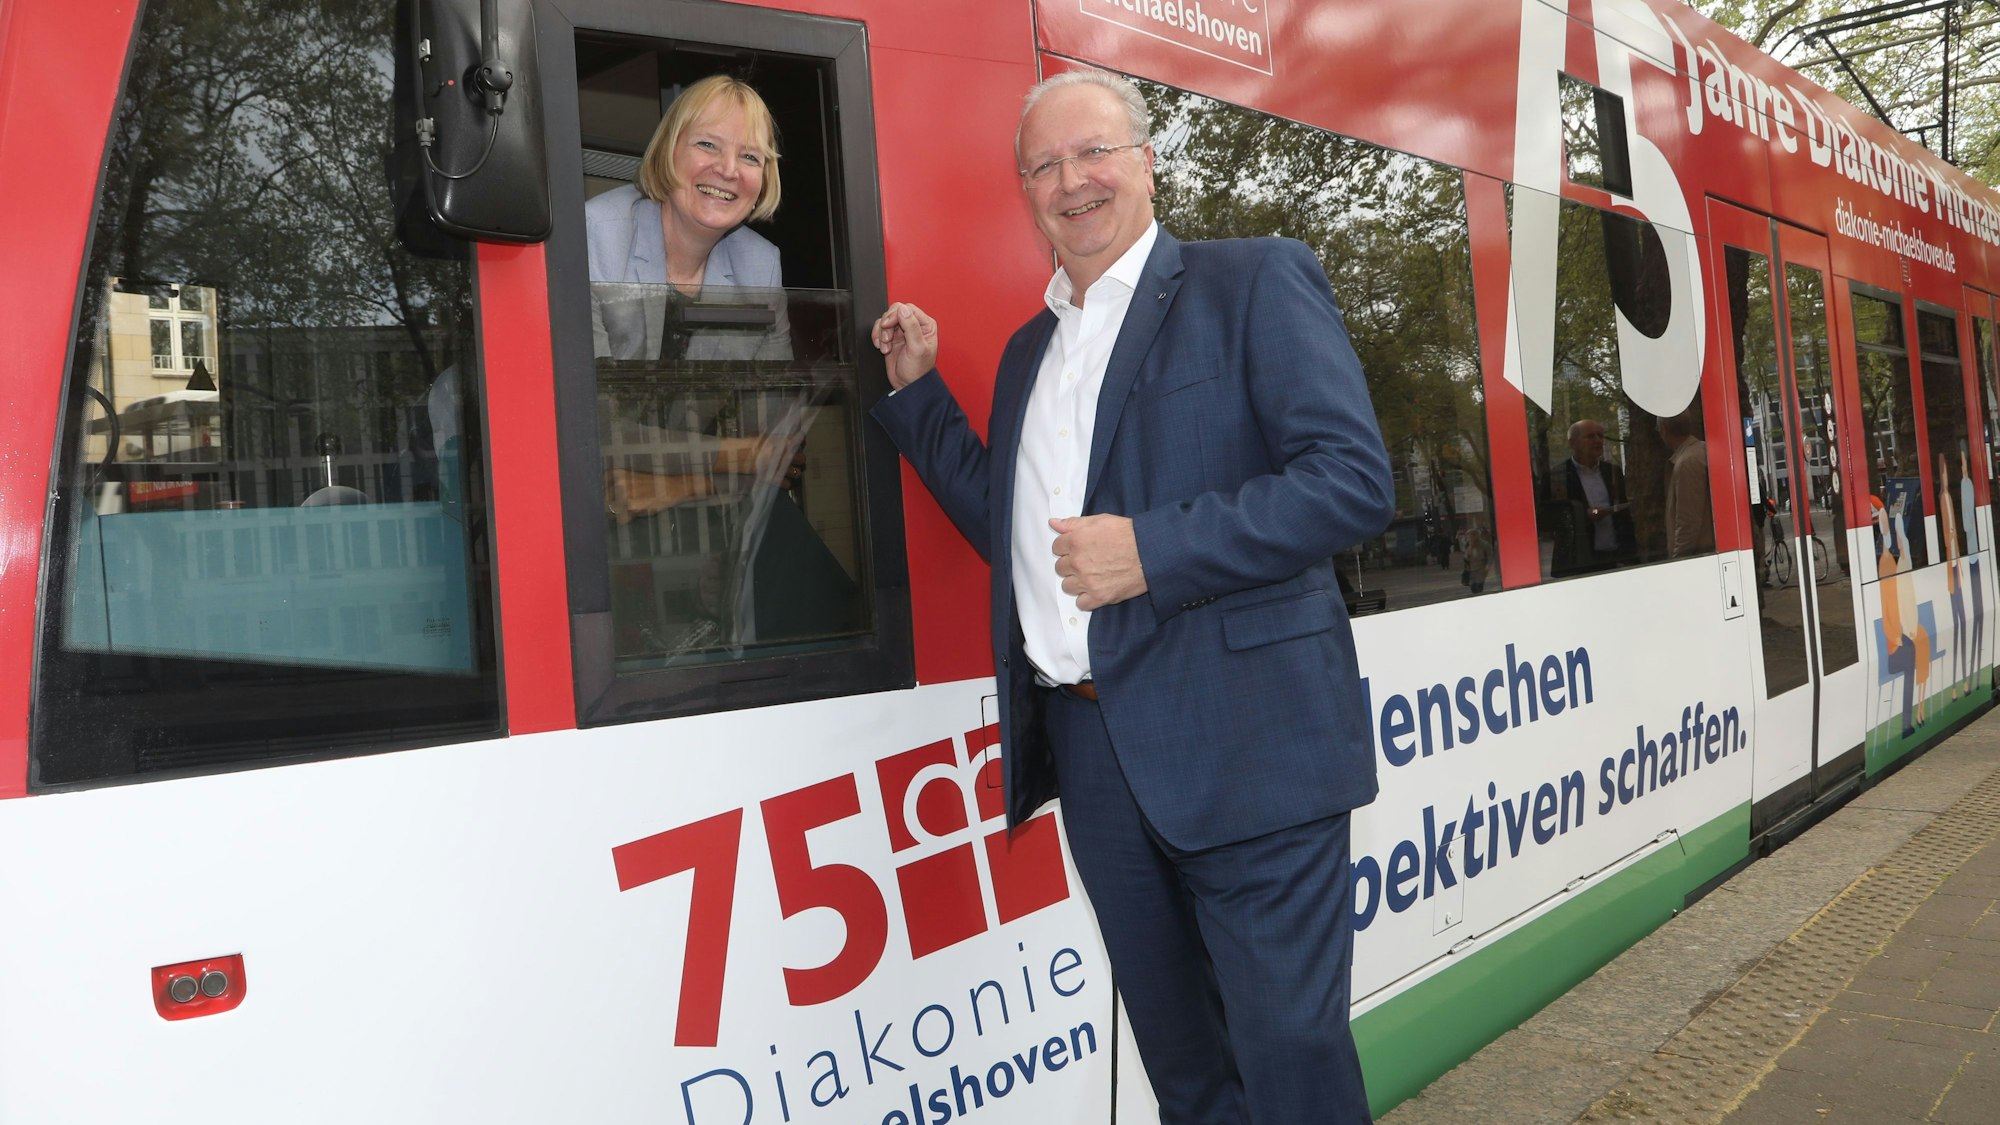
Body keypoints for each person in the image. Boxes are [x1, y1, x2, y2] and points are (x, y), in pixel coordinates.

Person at [868, 70, 1393, 1124]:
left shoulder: (1252, 282)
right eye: (1046, 165)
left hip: (1250, 743)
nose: (1073, 181)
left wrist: (1154, 550)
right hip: (1097, 754)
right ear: (1026, 192)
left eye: (1093, 152)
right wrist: (921, 399)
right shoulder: (1029, 352)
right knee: (1185, 1068)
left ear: (1146, 163)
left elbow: (1349, 479)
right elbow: (1013, 528)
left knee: (1287, 1059)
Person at [1547, 418, 1633, 576]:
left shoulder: (1612, 472)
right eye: (1590, 436)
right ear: (1573, 443)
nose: (1598, 440)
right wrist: (1581, 516)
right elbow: (1545, 518)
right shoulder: (1557, 476)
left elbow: (1624, 514)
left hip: (1614, 559)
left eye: (1600, 436)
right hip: (1578, 562)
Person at [1658, 407, 1714, 557]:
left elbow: (1688, 522)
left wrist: (1679, 561)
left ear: (1663, 430)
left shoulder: (1687, 462)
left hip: (1698, 556)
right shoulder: (1701, 450)